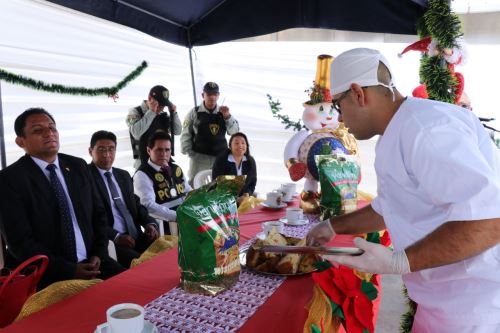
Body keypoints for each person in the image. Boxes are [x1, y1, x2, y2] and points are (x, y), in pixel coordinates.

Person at [306, 48, 500, 332]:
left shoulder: (427, 130)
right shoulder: (399, 130)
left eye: (338, 105)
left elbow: (489, 222)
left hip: (475, 306)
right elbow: (390, 206)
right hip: (440, 301)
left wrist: (401, 261)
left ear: (358, 94)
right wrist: (333, 226)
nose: (341, 119)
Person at [0, 108, 125, 289]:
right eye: (38, 130)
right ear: (20, 141)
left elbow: (99, 215)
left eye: (52, 128)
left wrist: (99, 254)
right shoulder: (10, 179)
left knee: (139, 290)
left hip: (94, 264)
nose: (49, 133)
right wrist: (69, 270)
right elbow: (20, 243)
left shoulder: (78, 166)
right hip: (47, 275)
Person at [88, 130, 160, 267]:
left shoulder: (123, 175)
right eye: (101, 149)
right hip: (112, 241)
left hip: (137, 236)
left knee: (169, 253)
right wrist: (116, 236)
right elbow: (89, 217)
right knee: (144, 265)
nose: (107, 154)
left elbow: (136, 204)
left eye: (111, 149)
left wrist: (150, 224)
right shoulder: (85, 177)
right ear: (90, 151)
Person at [180, 81, 240, 185]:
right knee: (195, 185)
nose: (212, 97)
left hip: (220, 157)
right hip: (199, 158)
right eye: (209, 94)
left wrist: (227, 117)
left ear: (218, 95)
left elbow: (234, 132)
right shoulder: (194, 112)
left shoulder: (224, 112)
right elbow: (186, 133)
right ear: (203, 95)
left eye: (215, 94)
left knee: (220, 186)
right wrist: (189, 152)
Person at [134, 131, 191, 230]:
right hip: (166, 225)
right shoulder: (142, 174)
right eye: (159, 150)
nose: (164, 154)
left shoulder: (175, 168)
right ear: (149, 150)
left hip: (186, 218)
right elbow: (148, 205)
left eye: (167, 150)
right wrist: (177, 216)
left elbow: (188, 191)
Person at [126, 85, 182, 169]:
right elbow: (136, 133)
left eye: (164, 105)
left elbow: (177, 131)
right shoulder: (135, 111)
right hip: (144, 162)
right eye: (159, 104)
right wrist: (151, 112)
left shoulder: (162, 113)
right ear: (149, 98)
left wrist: (174, 114)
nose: (161, 108)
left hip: (164, 161)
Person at [212, 132, 257, 204]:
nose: (240, 146)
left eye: (243, 143)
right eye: (236, 143)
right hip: (224, 201)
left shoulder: (250, 161)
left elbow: (252, 183)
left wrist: (247, 194)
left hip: (244, 200)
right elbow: (217, 184)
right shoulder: (221, 160)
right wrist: (236, 199)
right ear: (230, 146)